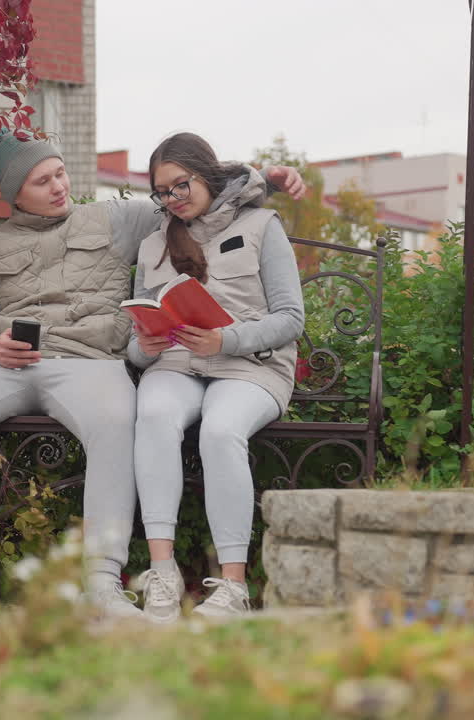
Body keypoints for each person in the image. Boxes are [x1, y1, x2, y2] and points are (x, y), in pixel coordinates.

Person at [0, 129, 305, 617]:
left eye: (59, 173)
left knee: (117, 418)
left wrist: (270, 180)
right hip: (9, 365)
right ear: (15, 195)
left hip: (89, 365)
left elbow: (194, 198)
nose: (58, 187)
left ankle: (102, 582)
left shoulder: (117, 219)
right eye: (41, 181)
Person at [127, 132, 305, 623]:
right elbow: (137, 329)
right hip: (178, 363)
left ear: (204, 174)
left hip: (250, 366)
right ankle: (162, 573)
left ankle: (233, 585)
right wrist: (143, 347)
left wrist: (226, 340)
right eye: (161, 192)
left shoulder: (262, 226)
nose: (172, 200)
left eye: (179, 186)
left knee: (220, 429)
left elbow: (291, 319)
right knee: (155, 413)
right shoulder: (154, 243)